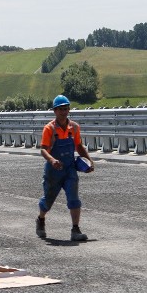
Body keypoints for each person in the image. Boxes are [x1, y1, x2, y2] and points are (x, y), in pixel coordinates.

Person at [36, 95, 94, 241]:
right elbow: (43, 149)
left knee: (74, 199)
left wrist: (89, 161)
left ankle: (75, 230)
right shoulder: (49, 129)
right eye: (61, 109)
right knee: (48, 200)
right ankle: (41, 220)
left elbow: (79, 146)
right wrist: (52, 160)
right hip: (53, 171)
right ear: (55, 111)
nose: (64, 112)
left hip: (69, 169)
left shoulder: (74, 127)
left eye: (66, 109)